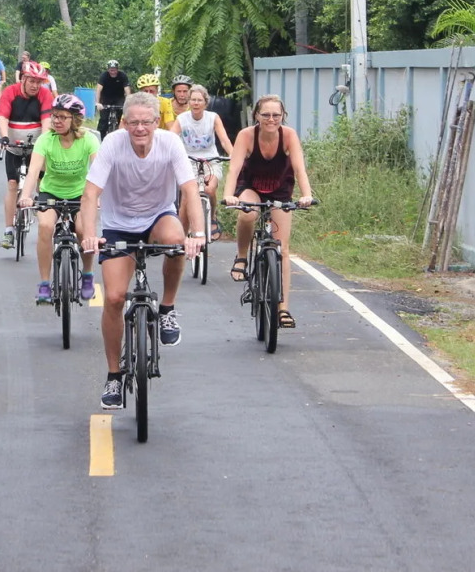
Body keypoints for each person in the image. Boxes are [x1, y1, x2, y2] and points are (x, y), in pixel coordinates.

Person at [80, 91, 203, 410]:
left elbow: (190, 189)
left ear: (156, 122)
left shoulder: (170, 144)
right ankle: (114, 375)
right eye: (132, 122)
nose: (139, 128)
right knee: (114, 298)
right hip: (118, 224)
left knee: (176, 242)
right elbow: (91, 193)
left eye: (146, 122)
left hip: (158, 217)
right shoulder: (112, 144)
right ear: (123, 123)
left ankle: (167, 309)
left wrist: (197, 234)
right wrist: (91, 235)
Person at [222, 94, 315, 330]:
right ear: (256, 116)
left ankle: (283, 308)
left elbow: (299, 168)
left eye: (276, 115)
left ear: (282, 116)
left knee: (282, 249)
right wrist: (229, 195)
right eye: (266, 115)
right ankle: (242, 257)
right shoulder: (246, 135)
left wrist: (307, 195)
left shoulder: (289, 135)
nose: (271, 119)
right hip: (251, 187)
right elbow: (233, 169)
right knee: (248, 213)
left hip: (280, 190)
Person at [18, 93, 101, 303]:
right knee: (45, 226)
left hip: (81, 194)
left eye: (63, 117)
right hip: (51, 192)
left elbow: (100, 172)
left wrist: (98, 198)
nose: (57, 121)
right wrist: (26, 196)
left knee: (83, 229)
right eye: (54, 116)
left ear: (75, 119)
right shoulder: (45, 140)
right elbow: (34, 171)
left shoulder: (88, 139)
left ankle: (88, 275)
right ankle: (45, 283)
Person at [0, 63, 54, 249]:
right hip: (14, 147)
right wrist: (4, 137)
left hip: (36, 148)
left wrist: (44, 143)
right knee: (12, 184)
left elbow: (46, 120)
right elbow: (3, 117)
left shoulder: (45, 95)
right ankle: (8, 230)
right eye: (31, 81)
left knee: (41, 182)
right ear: (23, 79)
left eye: (39, 82)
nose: (35, 85)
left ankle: (44, 221)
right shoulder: (10, 92)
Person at [171, 84, 234, 237]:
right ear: (189, 102)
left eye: (199, 100)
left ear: (205, 103)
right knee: (186, 196)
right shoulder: (182, 119)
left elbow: (224, 140)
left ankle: (212, 217)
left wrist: (233, 156)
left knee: (209, 188)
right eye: (193, 100)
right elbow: (171, 138)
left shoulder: (213, 118)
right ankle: (182, 232)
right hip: (189, 161)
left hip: (210, 160)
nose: (196, 103)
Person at [94, 60, 131, 137]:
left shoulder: (123, 76)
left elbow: (127, 90)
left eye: (114, 70)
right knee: (103, 121)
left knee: (121, 119)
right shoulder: (104, 76)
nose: (113, 72)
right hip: (106, 99)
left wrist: (128, 103)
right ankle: (100, 139)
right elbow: (98, 89)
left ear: (117, 69)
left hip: (119, 99)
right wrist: (97, 103)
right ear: (108, 69)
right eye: (111, 70)